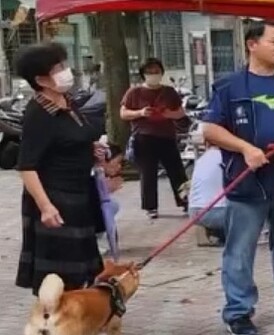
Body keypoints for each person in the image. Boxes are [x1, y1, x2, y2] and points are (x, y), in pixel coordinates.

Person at [201, 21, 274, 335]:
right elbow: (210, 129)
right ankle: (238, 311)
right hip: (247, 181)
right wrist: (245, 149)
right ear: (252, 45)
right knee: (240, 248)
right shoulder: (230, 87)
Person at [14, 42, 116, 293]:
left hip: (79, 196)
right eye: (57, 67)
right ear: (41, 79)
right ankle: (55, 326)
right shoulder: (39, 113)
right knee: (59, 277)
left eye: (63, 64)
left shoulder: (67, 103)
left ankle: (77, 323)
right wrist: (45, 207)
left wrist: (91, 150)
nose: (65, 71)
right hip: (56, 200)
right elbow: (27, 166)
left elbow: (71, 140)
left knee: (83, 270)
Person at [120, 57, 188, 219]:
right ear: (143, 74)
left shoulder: (169, 92)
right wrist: (140, 113)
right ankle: (151, 207)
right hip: (143, 137)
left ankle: (186, 201)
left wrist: (169, 114)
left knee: (176, 171)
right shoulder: (134, 92)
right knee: (148, 172)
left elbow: (180, 112)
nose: (153, 75)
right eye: (149, 72)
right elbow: (123, 113)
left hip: (166, 135)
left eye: (156, 72)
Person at [187, 138, 228, 245]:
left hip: (195, 210)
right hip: (216, 212)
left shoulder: (201, 159)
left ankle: (216, 233)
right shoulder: (227, 158)